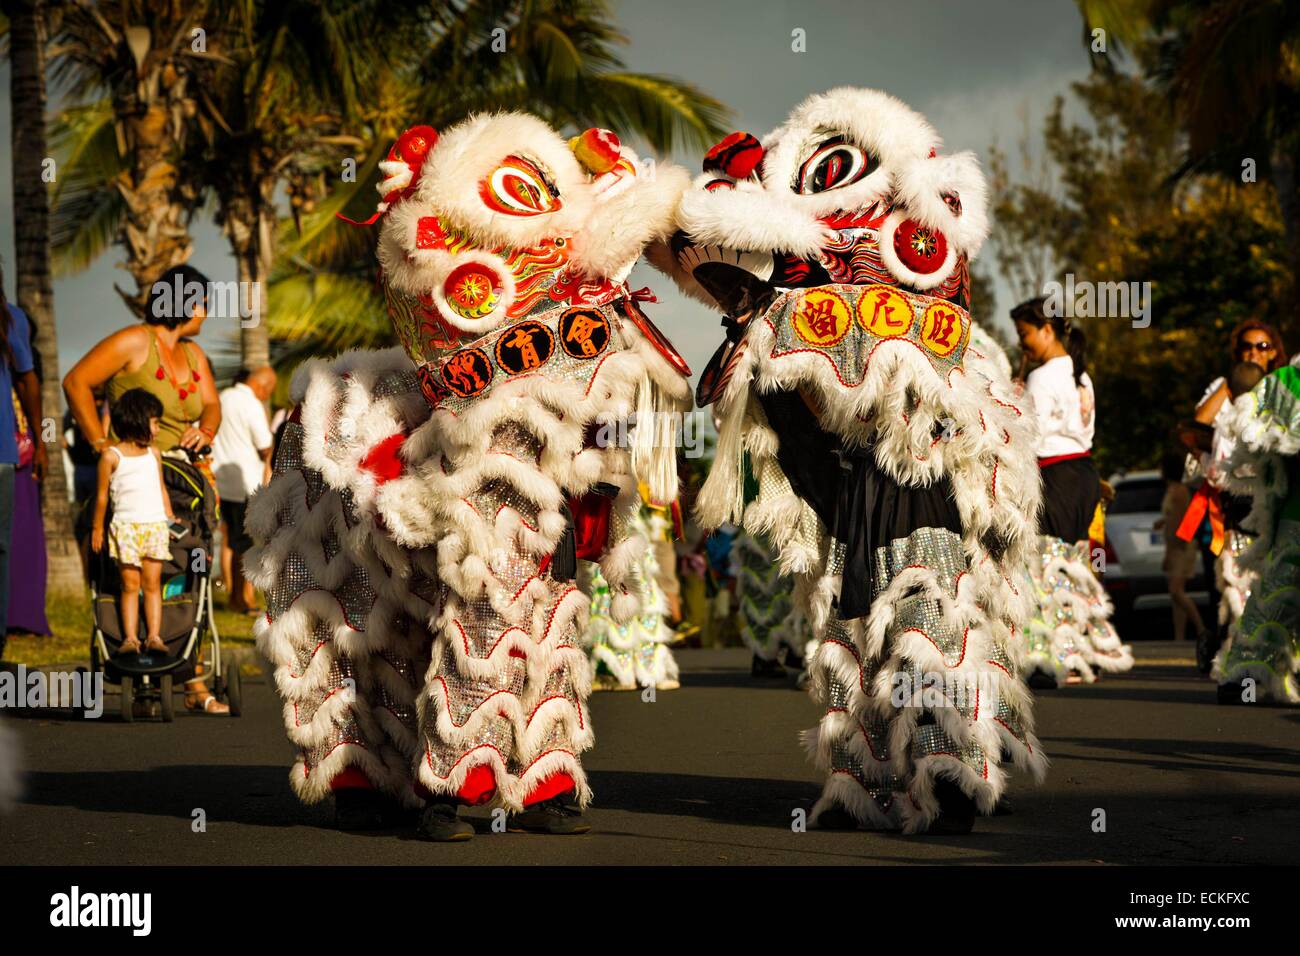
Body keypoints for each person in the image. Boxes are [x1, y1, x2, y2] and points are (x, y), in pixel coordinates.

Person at [652, 89, 1047, 834]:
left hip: (920, 467)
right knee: (848, 623)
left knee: (927, 613)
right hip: (840, 479)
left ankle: (948, 765)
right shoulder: (786, 303)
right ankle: (862, 782)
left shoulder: (920, 286)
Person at [63, 264, 227, 712]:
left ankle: (189, 673)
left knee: (186, 567)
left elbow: (210, 404)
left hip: (185, 479)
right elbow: (75, 381)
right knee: (134, 568)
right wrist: (99, 442)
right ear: (183, 302)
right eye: (202, 302)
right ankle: (134, 651)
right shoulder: (136, 341)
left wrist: (207, 431)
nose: (207, 312)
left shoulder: (194, 355)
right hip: (134, 477)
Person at [1013, 296, 1133, 684]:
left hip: (1055, 474)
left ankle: (1056, 659)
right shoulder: (1080, 374)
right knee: (1077, 563)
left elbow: (1029, 435)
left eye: (1025, 334)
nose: (1022, 344)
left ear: (1047, 330)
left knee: (1049, 563)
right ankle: (1084, 653)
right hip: (1083, 474)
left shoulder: (1042, 376)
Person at [90, 389, 177, 655]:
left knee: (152, 585)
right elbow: (102, 497)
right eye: (155, 422)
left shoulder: (154, 454)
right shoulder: (111, 456)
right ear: (137, 420)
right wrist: (97, 528)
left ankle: (153, 636)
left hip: (154, 527)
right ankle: (129, 638)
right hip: (125, 528)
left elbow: (161, 488)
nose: (158, 428)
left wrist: (170, 519)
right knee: (130, 585)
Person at [0, 275, 44, 660]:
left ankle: (10, 624)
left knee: (8, 543)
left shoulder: (10, 319)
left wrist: (40, 441)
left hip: (8, 449)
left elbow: (29, 382)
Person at [211, 366, 276, 613]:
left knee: (231, 541)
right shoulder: (250, 404)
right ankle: (243, 600)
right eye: (268, 391)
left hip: (221, 481)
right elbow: (265, 445)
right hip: (245, 483)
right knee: (246, 544)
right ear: (262, 386)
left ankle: (234, 596)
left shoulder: (223, 397)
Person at [1157, 449, 1206, 643]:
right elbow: (1172, 518)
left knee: (1175, 590)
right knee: (1177, 594)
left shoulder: (1179, 491)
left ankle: (1201, 628)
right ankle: (1180, 636)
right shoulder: (1173, 490)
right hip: (1176, 544)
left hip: (1180, 545)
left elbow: (1179, 522)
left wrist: (1170, 553)